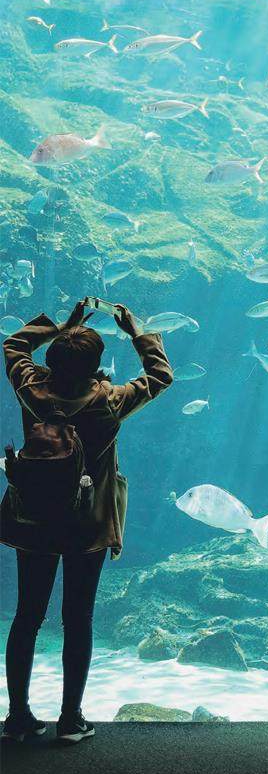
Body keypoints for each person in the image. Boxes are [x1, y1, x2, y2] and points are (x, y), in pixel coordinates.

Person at [1, 300, 172, 743]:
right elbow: (160, 376)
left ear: (53, 359)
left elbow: (14, 345)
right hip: (87, 523)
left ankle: (17, 717)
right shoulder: (108, 401)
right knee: (77, 619)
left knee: (27, 616)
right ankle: (70, 719)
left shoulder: (32, 389)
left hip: (34, 519)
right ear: (96, 366)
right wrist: (138, 332)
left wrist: (61, 325)